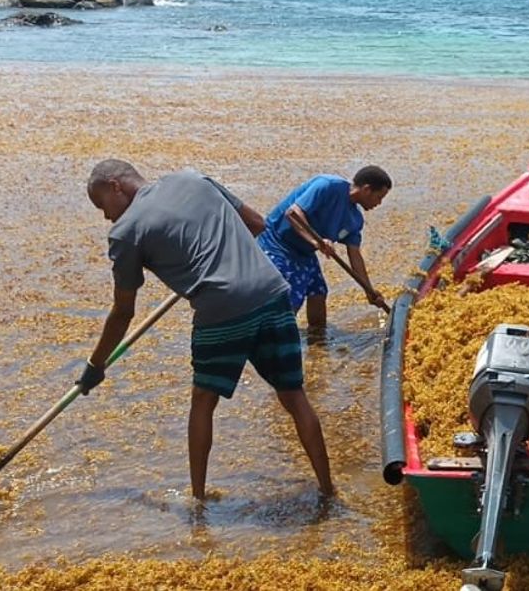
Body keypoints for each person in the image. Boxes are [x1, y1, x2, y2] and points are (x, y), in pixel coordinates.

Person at [78, 160, 334, 499]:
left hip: (221, 309)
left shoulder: (125, 233)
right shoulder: (194, 178)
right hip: (272, 292)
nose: (107, 217)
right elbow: (258, 224)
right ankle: (329, 490)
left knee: (203, 401)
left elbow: (123, 312)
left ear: (115, 186)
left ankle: (197, 499)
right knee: (294, 396)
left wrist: (96, 365)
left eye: (102, 205)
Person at [257, 166, 392, 330]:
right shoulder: (327, 185)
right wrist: (317, 243)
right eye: (379, 197)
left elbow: (355, 256)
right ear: (366, 189)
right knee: (291, 296)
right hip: (277, 243)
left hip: (305, 251)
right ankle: (277, 335)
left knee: (318, 292)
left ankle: (317, 342)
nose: (379, 203)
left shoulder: (355, 220)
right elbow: (293, 214)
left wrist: (369, 291)